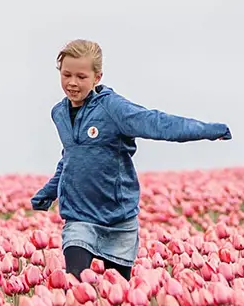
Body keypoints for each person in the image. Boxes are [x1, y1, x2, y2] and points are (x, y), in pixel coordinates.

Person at [28, 39, 230, 278]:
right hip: (79, 216)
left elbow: (157, 123)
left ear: (97, 77)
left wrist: (207, 130)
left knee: (121, 297)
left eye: (81, 77)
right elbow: (71, 157)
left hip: (117, 217)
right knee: (74, 286)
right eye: (66, 74)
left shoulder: (113, 109)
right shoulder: (59, 113)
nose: (72, 83)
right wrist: (49, 192)